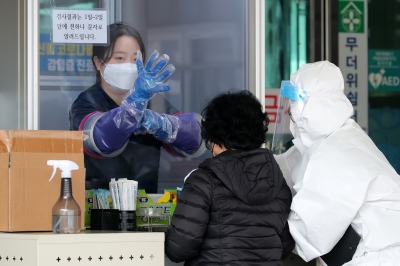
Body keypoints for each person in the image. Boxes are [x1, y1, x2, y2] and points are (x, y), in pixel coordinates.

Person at [273, 61, 400, 265]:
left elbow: (308, 233)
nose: (289, 112)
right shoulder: (332, 138)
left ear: (310, 108)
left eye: (293, 104)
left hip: (381, 256)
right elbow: (285, 167)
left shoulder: (338, 153)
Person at [69, 22, 205, 193]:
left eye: (135, 59)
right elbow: (101, 139)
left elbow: (195, 139)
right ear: (98, 62)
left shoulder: (153, 101)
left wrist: (162, 124)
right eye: (119, 58)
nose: (129, 65)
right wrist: (132, 108)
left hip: (146, 202)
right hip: (100, 203)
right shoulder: (86, 103)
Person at [165, 90, 295, 265]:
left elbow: (179, 248)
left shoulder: (203, 181)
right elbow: (284, 244)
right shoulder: (276, 182)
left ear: (214, 138)